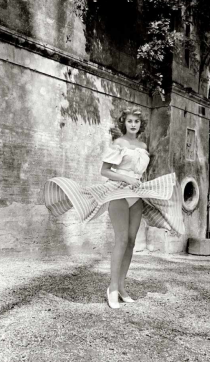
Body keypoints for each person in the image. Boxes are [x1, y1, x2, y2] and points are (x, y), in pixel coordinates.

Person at [44, 107, 185, 309]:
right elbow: (105, 171)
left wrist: (137, 181)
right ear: (124, 123)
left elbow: (139, 172)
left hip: (136, 195)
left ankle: (122, 286)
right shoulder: (118, 144)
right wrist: (126, 177)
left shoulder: (143, 146)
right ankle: (112, 288)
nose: (133, 124)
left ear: (141, 124)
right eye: (129, 121)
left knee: (130, 242)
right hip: (118, 193)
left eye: (137, 121)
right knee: (120, 240)